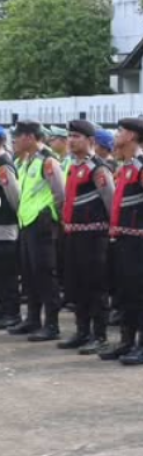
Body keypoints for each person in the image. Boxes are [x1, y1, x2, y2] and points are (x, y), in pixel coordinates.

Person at [100, 118, 143, 366]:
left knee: (142, 294)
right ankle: (127, 341)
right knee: (125, 292)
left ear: (130, 135)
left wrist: (140, 216)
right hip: (123, 240)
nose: (116, 135)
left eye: (119, 131)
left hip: (139, 241)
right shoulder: (126, 166)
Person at [57, 120, 115, 355]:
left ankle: (99, 335)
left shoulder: (98, 168)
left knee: (95, 286)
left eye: (77, 136)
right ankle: (82, 331)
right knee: (77, 285)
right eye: (70, 136)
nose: (71, 140)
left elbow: (111, 201)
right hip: (74, 234)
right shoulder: (74, 166)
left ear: (90, 141)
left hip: (94, 235)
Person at [8, 120, 65, 342]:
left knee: (45, 274)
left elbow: (59, 193)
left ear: (30, 137)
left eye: (18, 136)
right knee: (29, 274)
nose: (15, 140)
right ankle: (33, 319)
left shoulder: (47, 161)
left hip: (41, 224)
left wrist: (54, 221)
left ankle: (52, 324)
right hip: (26, 223)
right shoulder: (24, 162)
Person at [0, 126, 21, 329]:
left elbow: (14, 196)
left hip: (6, 225)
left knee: (7, 271)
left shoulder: (4, 164)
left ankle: (11, 312)